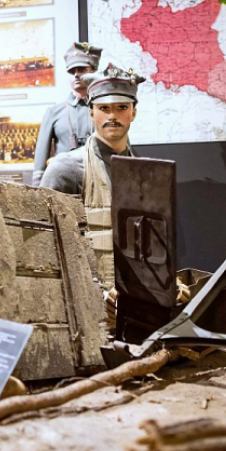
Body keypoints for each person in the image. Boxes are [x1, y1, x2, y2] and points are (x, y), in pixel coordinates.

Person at [40, 63, 146, 287]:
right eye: (104, 108)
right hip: (86, 297)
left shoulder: (145, 174)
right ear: (91, 112)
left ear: (133, 113)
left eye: (121, 108)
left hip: (136, 296)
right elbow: (43, 244)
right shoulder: (65, 169)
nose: (113, 116)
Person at [32, 41, 101, 186]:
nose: (76, 75)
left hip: (100, 181)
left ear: (94, 72)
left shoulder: (105, 110)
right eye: (72, 71)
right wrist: (37, 187)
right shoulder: (54, 112)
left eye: (82, 70)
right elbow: (41, 157)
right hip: (65, 184)